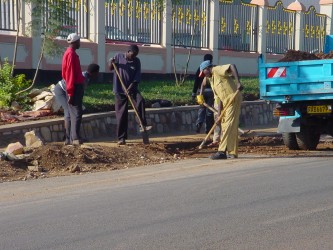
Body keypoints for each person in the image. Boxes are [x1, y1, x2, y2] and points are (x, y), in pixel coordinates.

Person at [198, 60, 243, 160]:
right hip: (226, 102)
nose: (204, 75)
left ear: (207, 69)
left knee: (228, 125)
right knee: (228, 125)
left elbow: (232, 65)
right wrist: (219, 114)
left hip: (233, 99)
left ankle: (221, 151)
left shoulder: (216, 70)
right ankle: (232, 152)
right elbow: (219, 99)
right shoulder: (211, 79)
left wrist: (238, 82)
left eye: (203, 72)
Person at [108, 44, 151, 145]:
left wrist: (130, 88)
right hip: (119, 90)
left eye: (136, 55)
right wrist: (111, 62)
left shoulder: (137, 61)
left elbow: (137, 77)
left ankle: (142, 124)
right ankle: (121, 138)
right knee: (121, 115)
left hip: (132, 89)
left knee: (140, 101)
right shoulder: (118, 57)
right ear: (128, 52)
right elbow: (110, 68)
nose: (134, 56)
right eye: (132, 54)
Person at [53, 63, 100, 144]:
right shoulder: (83, 77)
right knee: (68, 111)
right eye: (97, 72)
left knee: (74, 112)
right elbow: (74, 88)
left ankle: (73, 136)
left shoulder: (87, 77)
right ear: (94, 72)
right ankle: (68, 138)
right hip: (61, 90)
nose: (98, 74)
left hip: (69, 91)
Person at [61, 33, 85, 145]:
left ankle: (69, 139)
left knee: (72, 113)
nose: (80, 43)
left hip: (74, 86)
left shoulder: (70, 53)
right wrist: (70, 91)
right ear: (75, 42)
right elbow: (69, 74)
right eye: (79, 41)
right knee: (77, 113)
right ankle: (75, 138)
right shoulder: (70, 54)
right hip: (74, 87)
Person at [192, 54, 214, 134]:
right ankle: (208, 129)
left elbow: (196, 81)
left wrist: (194, 93)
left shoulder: (200, 68)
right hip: (211, 92)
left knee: (201, 109)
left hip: (201, 92)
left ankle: (199, 124)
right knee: (209, 111)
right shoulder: (212, 69)